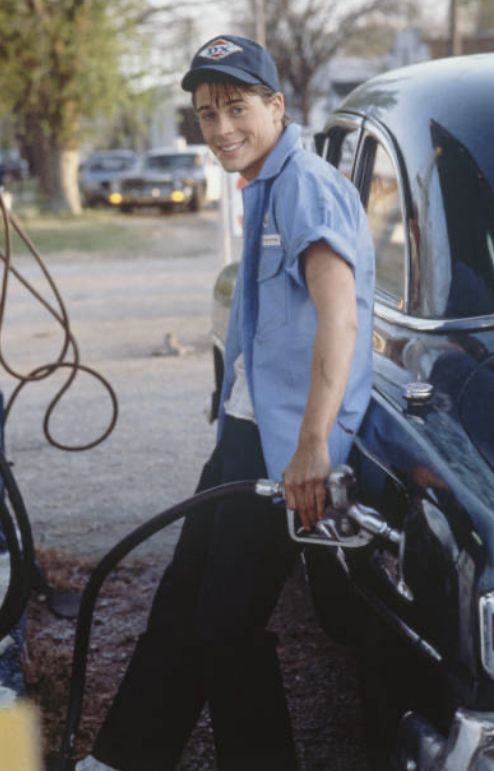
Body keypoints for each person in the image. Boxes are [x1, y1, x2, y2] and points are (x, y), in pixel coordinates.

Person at [77, 34, 375, 771]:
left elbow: (341, 314)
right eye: (207, 113)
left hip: (285, 450)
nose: (221, 129)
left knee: (224, 623)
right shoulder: (267, 185)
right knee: (183, 598)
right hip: (246, 435)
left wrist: (312, 443)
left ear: (277, 107)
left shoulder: (304, 184)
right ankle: (121, 757)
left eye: (236, 108)